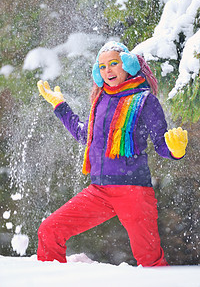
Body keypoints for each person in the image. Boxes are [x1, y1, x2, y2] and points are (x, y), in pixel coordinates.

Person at [37, 41, 188, 266]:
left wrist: (175, 150)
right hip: (99, 192)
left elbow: (161, 143)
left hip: (134, 192)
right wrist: (61, 107)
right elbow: (84, 135)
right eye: (102, 66)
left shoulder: (145, 100)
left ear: (127, 65)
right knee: (49, 230)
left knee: (150, 261)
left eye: (113, 64)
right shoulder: (101, 100)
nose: (107, 70)